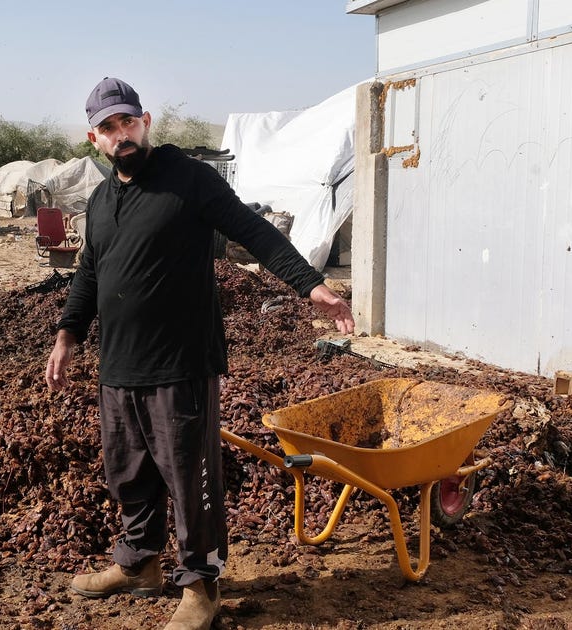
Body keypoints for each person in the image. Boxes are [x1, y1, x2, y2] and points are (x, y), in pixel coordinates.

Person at [44, 77, 354, 630]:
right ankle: (139, 566)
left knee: (191, 478)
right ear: (94, 137)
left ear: (147, 120)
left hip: (180, 364)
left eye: (129, 122)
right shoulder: (99, 200)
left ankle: (202, 586)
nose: (123, 135)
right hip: (118, 366)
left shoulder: (190, 179)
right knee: (129, 474)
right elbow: (91, 271)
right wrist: (68, 336)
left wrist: (311, 285)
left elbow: (254, 232)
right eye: (109, 128)